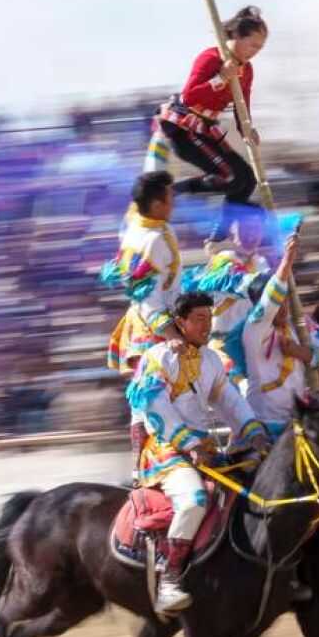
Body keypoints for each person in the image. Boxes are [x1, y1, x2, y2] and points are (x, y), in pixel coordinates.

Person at [126, 291, 268, 614]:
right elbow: (155, 408)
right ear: (180, 322)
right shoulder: (158, 358)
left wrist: (253, 431)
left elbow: (230, 400)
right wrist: (189, 445)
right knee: (194, 500)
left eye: (210, 318)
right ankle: (171, 580)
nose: (207, 326)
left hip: (204, 449)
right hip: (168, 450)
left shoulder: (212, 360)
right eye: (200, 319)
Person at [143, 6, 267, 235]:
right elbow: (190, 96)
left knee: (247, 180)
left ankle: (221, 232)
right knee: (229, 177)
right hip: (183, 128)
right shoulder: (210, 58)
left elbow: (242, 104)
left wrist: (246, 130)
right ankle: (174, 190)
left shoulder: (246, 70)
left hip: (205, 130)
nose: (256, 52)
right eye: (253, 45)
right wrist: (221, 78)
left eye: (260, 48)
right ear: (236, 37)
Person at [101, 171, 184, 480]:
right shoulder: (150, 241)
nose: (174, 201)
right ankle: (143, 470)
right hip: (153, 330)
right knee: (147, 400)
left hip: (165, 316)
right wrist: (175, 336)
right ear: (157, 204)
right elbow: (149, 300)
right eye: (170, 197)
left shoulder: (141, 219)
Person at [240, 232, 319, 435]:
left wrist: (303, 353)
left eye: (285, 300)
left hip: (298, 424)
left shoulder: (297, 332)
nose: (283, 307)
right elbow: (270, 301)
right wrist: (286, 262)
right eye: (279, 302)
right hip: (264, 427)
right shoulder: (254, 330)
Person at [183, 201, 272, 351]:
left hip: (255, 345)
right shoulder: (224, 260)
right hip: (224, 346)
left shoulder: (262, 263)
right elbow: (220, 290)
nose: (251, 234)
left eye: (256, 228)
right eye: (245, 228)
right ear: (232, 229)